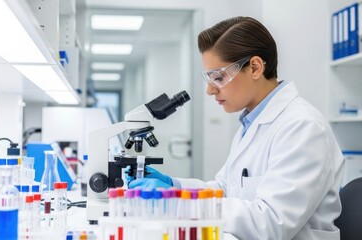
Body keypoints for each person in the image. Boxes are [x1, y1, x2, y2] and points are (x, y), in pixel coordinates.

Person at [127, 16, 344, 240]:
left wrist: (177, 202)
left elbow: (270, 222)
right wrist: (175, 186)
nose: (210, 91)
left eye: (218, 78)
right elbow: (225, 189)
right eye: (208, 79)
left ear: (255, 67)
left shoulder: (303, 127)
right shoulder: (251, 122)